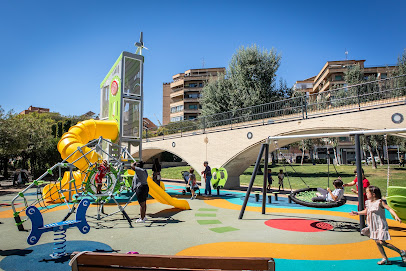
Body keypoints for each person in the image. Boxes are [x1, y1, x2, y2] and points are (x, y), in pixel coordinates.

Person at [350, 186, 406, 265]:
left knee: (381, 242)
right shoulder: (368, 202)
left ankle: (401, 251)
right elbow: (366, 211)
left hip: (380, 224)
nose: (366, 194)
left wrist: (396, 215)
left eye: (367, 193)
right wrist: (357, 213)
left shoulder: (380, 202)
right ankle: (385, 258)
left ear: (373, 194)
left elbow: (389, 208)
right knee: (377, 242)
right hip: (373, 225)